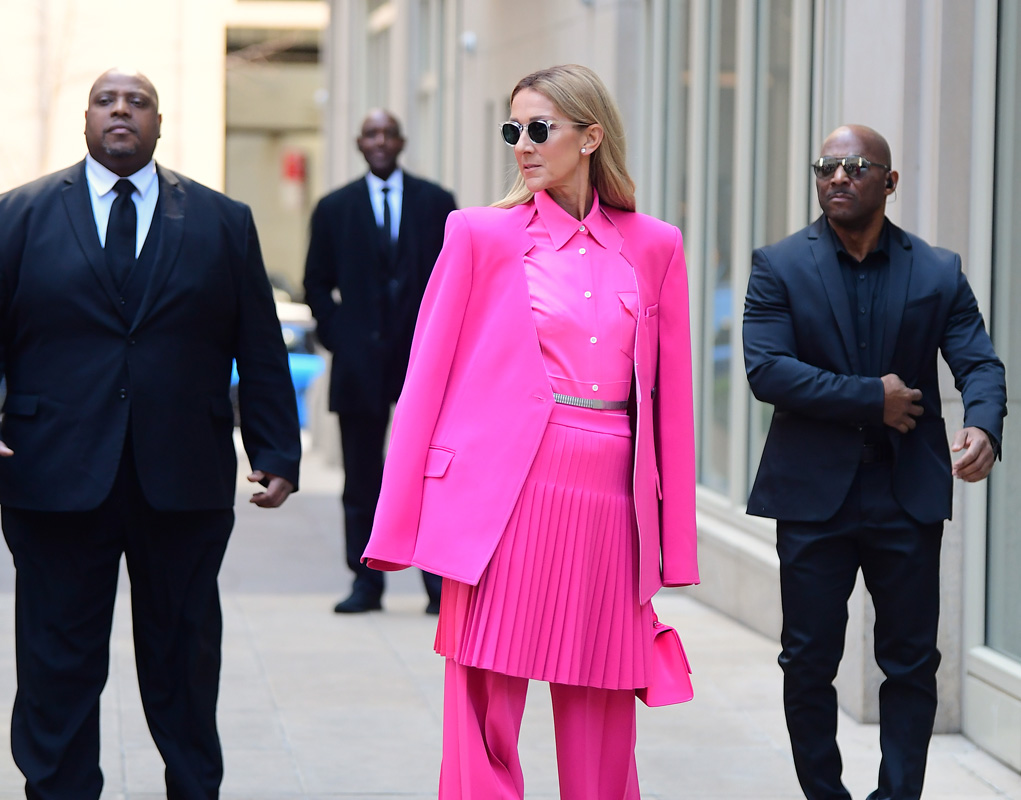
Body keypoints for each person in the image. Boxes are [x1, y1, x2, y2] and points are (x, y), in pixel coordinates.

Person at [362, 64, 698, 799]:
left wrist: (675, 545)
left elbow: (671, 404)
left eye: (539, 128)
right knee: (482, 700)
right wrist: (398, 521)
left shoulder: (655, 245)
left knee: (602, 704)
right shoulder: (478, 234)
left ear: (591, 137)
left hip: (609, 502)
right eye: (512, 129)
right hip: (501, 498)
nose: (522, 144)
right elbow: (426, 381)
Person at [0, 68, 301, 799]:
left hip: (182, 479)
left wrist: (275, 449)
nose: (121, 111)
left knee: (184, 658)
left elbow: (259, 345)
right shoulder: (19, 215)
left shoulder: (222, 221)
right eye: (106, 100)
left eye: (137, 102)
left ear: (159, 124)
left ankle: (193, 789)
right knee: (56, 661)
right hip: (52, 475)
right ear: (85, 119)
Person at [743, 124, 1006, 800]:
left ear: (888, 182)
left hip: (905, 493)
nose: (838, 176)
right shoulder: (778, 265)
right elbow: (767, 370)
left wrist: (983, 424)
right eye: (825, 166)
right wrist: (871, 398)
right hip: (811, 497)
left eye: (856, 166)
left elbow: (978, 362)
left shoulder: (937, 271)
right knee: (807, 662)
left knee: (911, 663)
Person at [303, 109, 456, 615]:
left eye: (388, 133)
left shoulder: (437, 203)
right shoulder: (334, 208)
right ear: (358, 143)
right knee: (362, 479)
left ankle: (437, 584)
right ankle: (366, 583)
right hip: (359, 365)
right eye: (371, 134)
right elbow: (316, 283)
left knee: (430, 474)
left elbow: (457, 276)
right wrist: (340, 337)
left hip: (424, 363)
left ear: (401, 142)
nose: (380, 141)